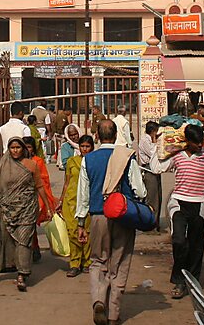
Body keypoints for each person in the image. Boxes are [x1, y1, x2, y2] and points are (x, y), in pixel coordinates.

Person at [149, 125, 204, 299]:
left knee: (197, 245)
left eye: (200, 142)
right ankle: (179, 281)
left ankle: (193, 280)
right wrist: (158, 145)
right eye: (196, 143)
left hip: (199, 204)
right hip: (178, 204)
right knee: (179, 241)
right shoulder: (177, 156)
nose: (199, 146)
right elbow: (156, 168)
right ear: (187, 141)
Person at [75, 119, 147, 325]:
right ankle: (114, 314)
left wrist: (81, 223)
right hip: (122, 216)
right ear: (116, 135)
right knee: (120, 262)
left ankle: (98, 300)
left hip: (97, 216)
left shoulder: (88, 160)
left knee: (98, 261)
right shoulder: (126, 157)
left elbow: (83, 196)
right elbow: (140, 190)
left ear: (97, 136)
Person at [0, 137, 41, 291]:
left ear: (23, 149)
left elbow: (39, 186)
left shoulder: (31, 165)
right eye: (12, 148)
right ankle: (9, 266)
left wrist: (48, 206)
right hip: (8, 210)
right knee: (6, 239)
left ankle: (22, 274)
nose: (15, 150)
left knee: (24, 241)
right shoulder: (3, 165)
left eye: (18, 148)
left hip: (27, 209)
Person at [59, 134, 94, 277]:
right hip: (71, 201)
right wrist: (61, 200)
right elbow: (67, 182)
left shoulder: (94, 162)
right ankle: (74, 263)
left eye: (87, 146)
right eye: (82, 146)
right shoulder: (72, 162)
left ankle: (87, 262)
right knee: (72, 232)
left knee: (88, 232)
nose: (84, 149)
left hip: (88, 201)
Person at [137, 120, 163, 230]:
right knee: (152, 198)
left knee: (158, 196)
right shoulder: (144, 140)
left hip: (155, 169)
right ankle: (150, 224)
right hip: (148, 169)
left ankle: (156, 222)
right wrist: (154, 141)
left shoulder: (151, 140)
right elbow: (153, 153)